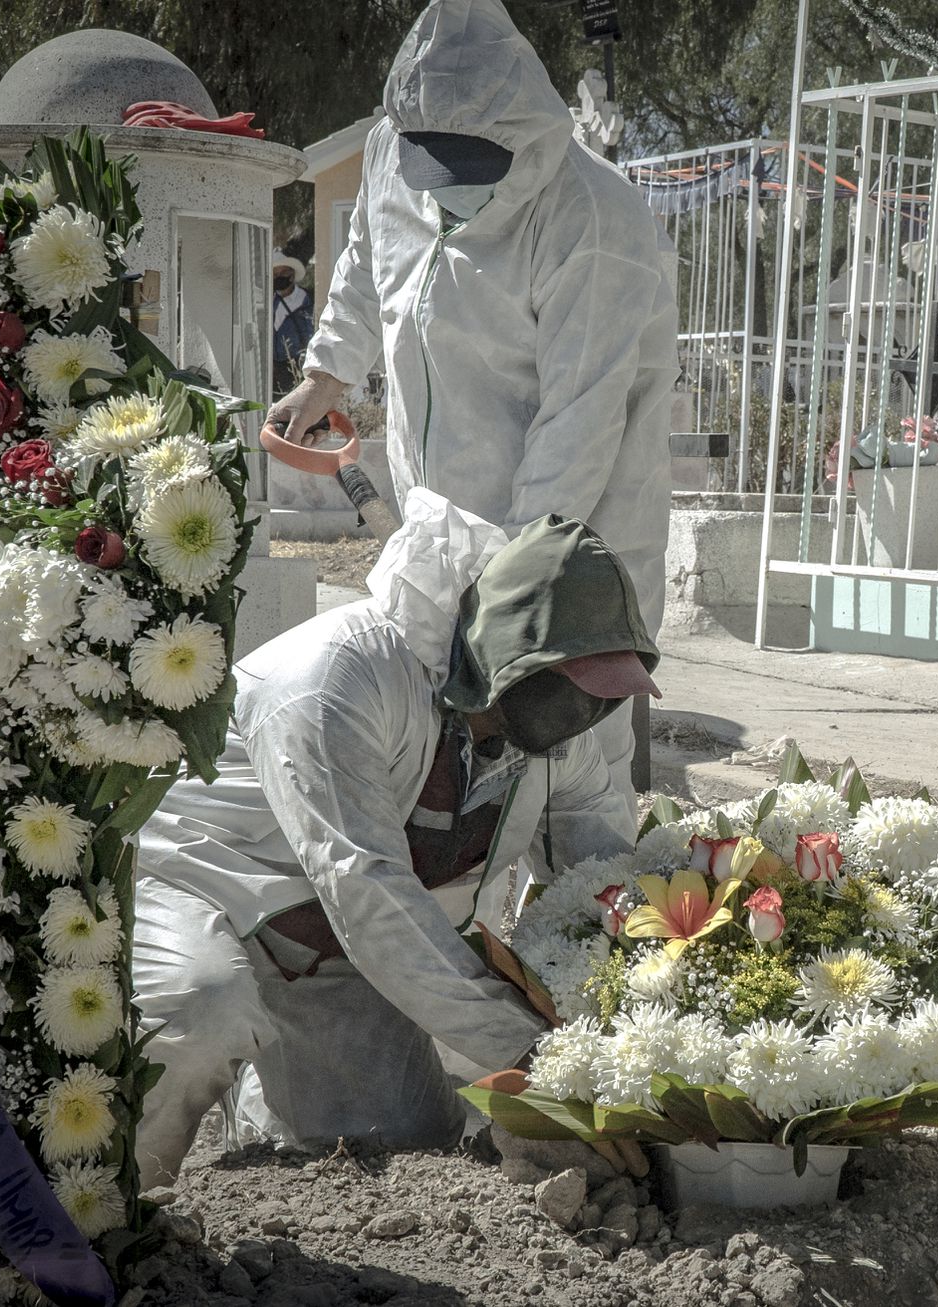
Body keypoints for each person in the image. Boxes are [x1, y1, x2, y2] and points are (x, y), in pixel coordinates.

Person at [131, 489, 660, 1186]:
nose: (590, 710)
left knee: (403, 1139)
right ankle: (107, 1218)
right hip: (195, 887)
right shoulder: (334, 678)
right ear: (508, 655)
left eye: (608, 691)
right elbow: (364, 886)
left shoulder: (562, 737)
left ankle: (261, 1108)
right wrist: (538, 1056)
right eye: (575, 684)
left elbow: (599, 882)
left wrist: (646, 1026)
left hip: (323, 949)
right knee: (201, 1014)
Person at [270, 0, 679, 797]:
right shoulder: (394, 150)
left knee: (573, 776)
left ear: (524, 139)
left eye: (472, 169)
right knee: (448, 772)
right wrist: (326, 375)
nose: (448, 191)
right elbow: (366, 268)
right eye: (435, 169)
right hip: (444, 523)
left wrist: (508, 584)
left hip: (574, 547)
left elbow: (579, 421)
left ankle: (586, 912)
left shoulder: (592, 220)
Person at [269, 250, 314, 394]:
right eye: (275, 274)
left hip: (298, 365)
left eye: (283, 273)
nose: (279, 277)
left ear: (292, 274)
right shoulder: (270, 301)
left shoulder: (307, 301)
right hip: (275, 368)